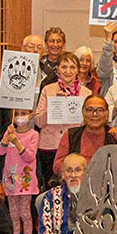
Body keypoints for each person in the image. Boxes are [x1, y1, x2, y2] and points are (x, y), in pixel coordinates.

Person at [33, 51, 93, 186]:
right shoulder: (48, 89)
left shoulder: (86, 93)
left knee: (76, 185)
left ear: (78, 70)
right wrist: (55, 105)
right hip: (49, 146)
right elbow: (38, 122)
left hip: (75, 145)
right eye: (64, 67)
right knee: (51, 185)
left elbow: (88, 123)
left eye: (72, 67)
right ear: (58, 69)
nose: (68, 71)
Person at [0, 109, 39, 234]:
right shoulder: (9, 132)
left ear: (30, 115)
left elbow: (29, 156)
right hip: (10, 180)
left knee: (25, 213)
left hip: (25, 180)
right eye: (18, 114)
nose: (20, 117)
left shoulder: (33, 134)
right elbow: (0, 152)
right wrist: (7, 139)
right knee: (13, 214)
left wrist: (17, 142)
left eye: (24, 113)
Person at [53, 95, 117, 175]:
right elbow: (57, 166)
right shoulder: (71, 135)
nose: (94, 114)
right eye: (90, 110)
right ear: (83, 113)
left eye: (100, 110)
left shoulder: (115, 136)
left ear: (107, 114)